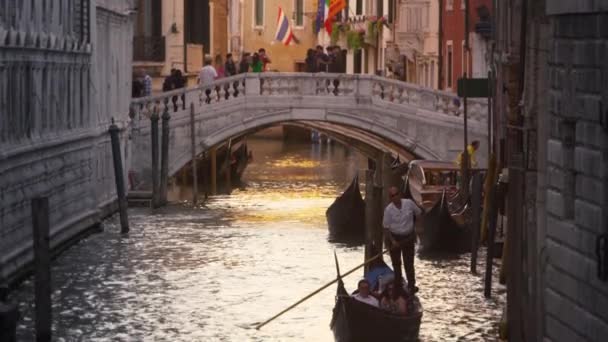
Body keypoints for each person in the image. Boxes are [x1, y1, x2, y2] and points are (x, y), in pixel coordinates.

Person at [383, 186, 422, 293]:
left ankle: (411, 286)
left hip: (409, 237)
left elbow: (418, 213)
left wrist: (417, 228)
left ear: (399, 194)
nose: (395, 197)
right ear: (390, 198)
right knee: (396, 264)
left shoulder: (409, 203)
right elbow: (386, 229)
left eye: (396, 194)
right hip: (394, 238)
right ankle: (398, 287)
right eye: (392, 196)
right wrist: (393, 241)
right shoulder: (388, 210)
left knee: (409, 263)